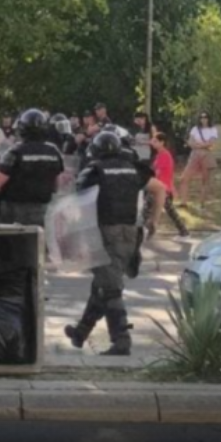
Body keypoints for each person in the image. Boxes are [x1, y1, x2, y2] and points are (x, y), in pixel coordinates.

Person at [65, 131, 167, 356]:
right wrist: (154, 220)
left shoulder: (94, 170)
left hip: (105, 233)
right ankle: (80, 333)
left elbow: (78, 205)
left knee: (110, 289)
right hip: (130, 233)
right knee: (102, 284)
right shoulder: (133, 168)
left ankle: (122, 340)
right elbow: (160, 188)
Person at [0, 109, 64, 226]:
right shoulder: (54, 152)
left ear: (22, 129)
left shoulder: (14, 152)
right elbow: (56, 186)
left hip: (13, 214)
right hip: (43, 213)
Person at [150, 133, 189, 237]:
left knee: (147, 211)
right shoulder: (160, 155)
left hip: (161, 189)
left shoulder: (164, 155)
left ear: (162, 142)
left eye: (155, 141)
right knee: (170, 212)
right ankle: (184, 232)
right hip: (161, 188)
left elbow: (157, 173)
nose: (152, 143)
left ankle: (184, 232)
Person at [178, 111, 218, 209]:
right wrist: (201, 145)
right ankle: (183, 202)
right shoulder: (195, 129)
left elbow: (211, 143)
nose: (203, 119)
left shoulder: (213, 129)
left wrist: (200, 144)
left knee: (205, 180)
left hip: (206, 154)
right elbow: (191, 142)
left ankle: (202, 203)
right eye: (201, 117)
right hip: (195, 154)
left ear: (209, 118)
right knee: (184, 178)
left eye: (205, 117)